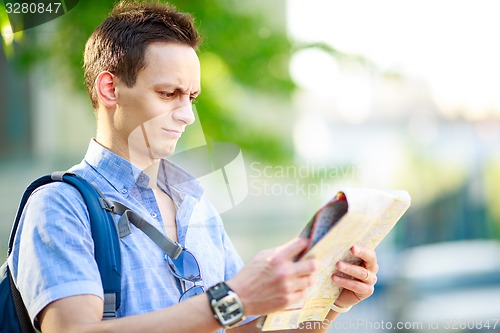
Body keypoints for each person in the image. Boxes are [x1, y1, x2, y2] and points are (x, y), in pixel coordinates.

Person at [8, 1, 379, 332]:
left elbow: (241, 328)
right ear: (110, 89)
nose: (186, 115)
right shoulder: (58, 205)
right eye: (168, 94)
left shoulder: (196, 204)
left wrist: (328, 304)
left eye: (192, 97)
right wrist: (231, 298)